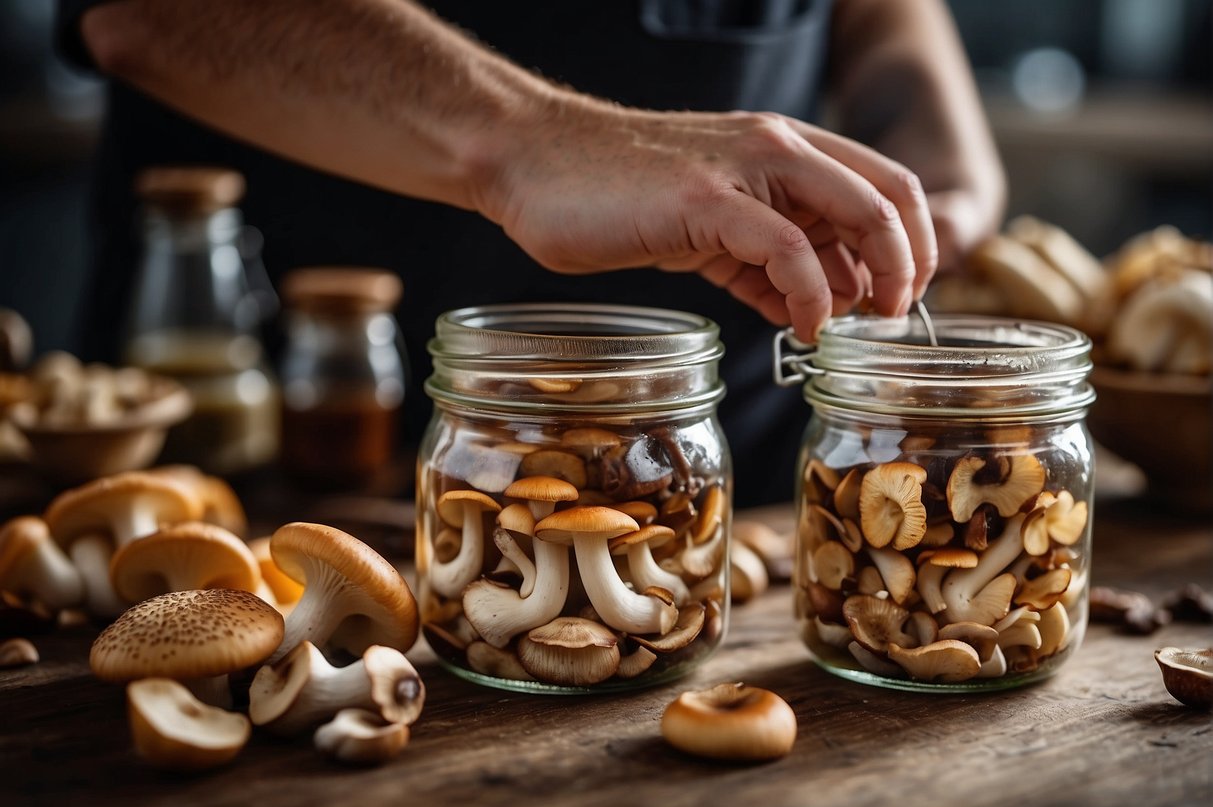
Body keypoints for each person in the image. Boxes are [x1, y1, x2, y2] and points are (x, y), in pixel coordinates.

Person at [56, 0, 1004, 505]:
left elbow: (877, 17)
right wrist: (530, 143)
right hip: (286, 447)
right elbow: (139, 12)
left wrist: (932, 169)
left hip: (729, 447)